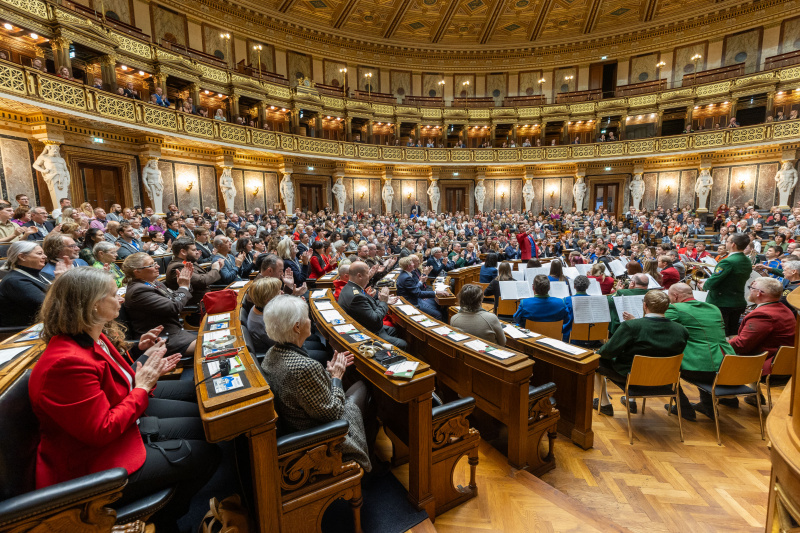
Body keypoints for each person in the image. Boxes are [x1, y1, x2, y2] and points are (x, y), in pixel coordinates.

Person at [29, 267, 221, 531]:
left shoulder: (91, 335)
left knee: (204, 426)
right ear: (92, 305)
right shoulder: (65, 364)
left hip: (122, 430)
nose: (120, 298)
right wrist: (143, 386)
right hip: (91, 464)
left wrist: (140, 354)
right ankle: (162, 522)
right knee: (206, 455)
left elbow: (110, 380)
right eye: (112, 294)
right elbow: (102, 430)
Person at [260, 295, 371, 471]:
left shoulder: (271, 353)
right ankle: (365, 462)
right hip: (318, 436)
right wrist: (336, 377)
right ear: (297, 327)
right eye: (306, 317)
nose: (309, 321)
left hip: (297, 420)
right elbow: (333, 413)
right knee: (364, 386)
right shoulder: (305, 368)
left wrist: (327, 373)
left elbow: (302, 390)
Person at [594, 290, 689, 416]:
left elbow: (607, 352)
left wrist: (597, 353)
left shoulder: (631, 326)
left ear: (644, 305)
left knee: (595, 361)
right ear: (667, 307)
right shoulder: (682, 330)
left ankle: (604, 404)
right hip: (665, 380)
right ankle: (630, 400)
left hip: (631, 378)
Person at [664, 283, 735, 420]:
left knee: (664, 367)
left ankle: (683, 409)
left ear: (675, 296)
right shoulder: (714, 308)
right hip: (727, 365)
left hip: (700, 368)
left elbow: (660, 327)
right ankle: (708, 406)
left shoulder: (675, 308)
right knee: (702, 356)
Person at [122, 252, 197, 357]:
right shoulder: (138, 291)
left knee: (213, 336)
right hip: (163, 340)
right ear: (137, 272)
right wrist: (183, 287)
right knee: (211, 346)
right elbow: (174, 307)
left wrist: (185, 284)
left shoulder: (153, 283)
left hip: (175, 332)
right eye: (151, 265)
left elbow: (174, 299)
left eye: (155, 263)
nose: (157, 266)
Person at [246, 277, 329, 363]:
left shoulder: (259, 306)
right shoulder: (262, 323)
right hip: (282, 356)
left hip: (285, 344)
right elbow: (288, 344)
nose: (282, 292)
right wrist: (302, 313)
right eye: (278, 292)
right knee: (324, 355)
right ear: (269, 300)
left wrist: (296, 304)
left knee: (317, 340)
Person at [730, 276, 795, 384]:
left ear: (759, 293)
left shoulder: (763, 314)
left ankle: (725, 395)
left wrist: (721, 344)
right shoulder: (784, 309)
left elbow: (742, 345)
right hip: (784, 365)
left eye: (751, 288)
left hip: (764, 367)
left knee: (711, 357)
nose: (750, 290)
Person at [338, 261, 407, 350]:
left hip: (367, 325)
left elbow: (367, 304)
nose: (370, 276)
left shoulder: (350, 287)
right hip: (368, 333)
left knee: (394, 330)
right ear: (359, 276)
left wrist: (384, 301)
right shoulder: (356, 296)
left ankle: (390, 355)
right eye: (368, 273)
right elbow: (375, 319)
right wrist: (383, 302)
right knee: (403, 344)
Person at [0, 241, 65, 326]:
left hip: (49, 322)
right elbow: (47, 306)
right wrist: (61, 280)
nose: (45, 256)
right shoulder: (14, 281)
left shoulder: (43, 274)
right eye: (39, 253)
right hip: (25, 328)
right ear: (22, 257)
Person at [700, 233, 752, 335]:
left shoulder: (727, 261)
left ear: (733, 244)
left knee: (719, 334)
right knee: (732, 333)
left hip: (722, 303)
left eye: (727, 241)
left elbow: (713, 281)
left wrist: (704, 285)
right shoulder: (747, 260)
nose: (725, 243)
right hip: (737, 301)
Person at [165, 238, 224, 305]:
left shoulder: (187, 261)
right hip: (198, 304)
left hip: (206, 299)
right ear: (183, 252)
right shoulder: (177, 267)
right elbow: (202, 281)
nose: (197, 252)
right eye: (194, 250)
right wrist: (215, 269)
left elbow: (203, 275)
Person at [513, 275, 570, 340]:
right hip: (554, 339)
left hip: (530, 340)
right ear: (549, 288)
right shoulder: (561, 303)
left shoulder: (524, 303)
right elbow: (566, 320)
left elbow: (516, 319)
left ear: (533, 287)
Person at [396, 255, 447, 320]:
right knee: (438, 314)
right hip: (411, 303)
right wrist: (436, 292)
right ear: (409, 266)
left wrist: (421, 281)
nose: (414, 264)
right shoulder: (406, 278)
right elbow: (418, 293)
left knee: (437, 303)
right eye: (412, 263)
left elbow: (415, 288)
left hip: (415, 298)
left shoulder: (405, 274)